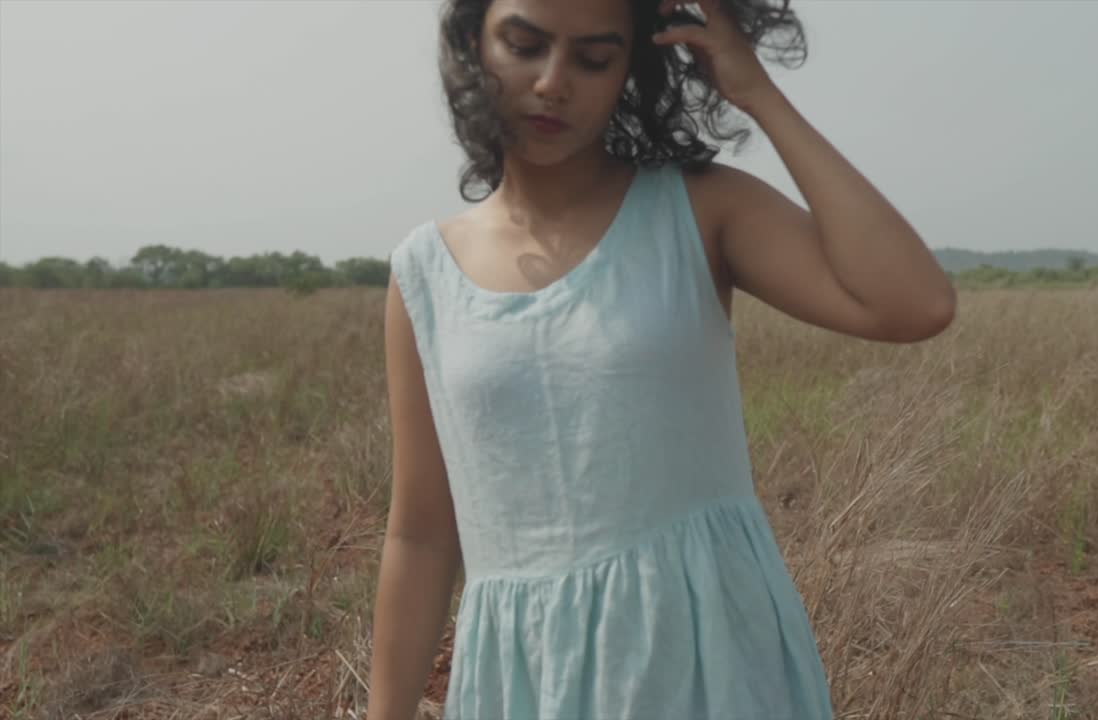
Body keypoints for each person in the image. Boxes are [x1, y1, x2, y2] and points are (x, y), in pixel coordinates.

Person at [369, 0, 956, 718]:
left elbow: (914, 303)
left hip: (707, 658)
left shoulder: (698, 212)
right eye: (524, 45)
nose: (553, 82)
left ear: (630, 71)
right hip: (529, 677)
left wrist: (758, 94)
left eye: (593, 58)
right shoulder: (423, 275)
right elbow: (422, 534)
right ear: (473, 44)